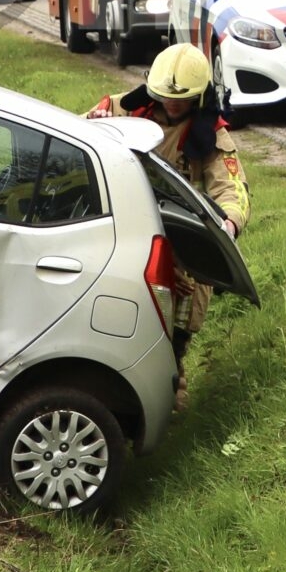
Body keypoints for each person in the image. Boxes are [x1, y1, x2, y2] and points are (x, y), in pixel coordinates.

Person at [86, 41, 250, 401]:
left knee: (175, 331)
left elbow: (232, 189)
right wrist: (93, 126)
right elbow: (73, 144)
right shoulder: (115, 109)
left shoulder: (212, 136)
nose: (173, 104)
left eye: (183, 98)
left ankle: (170, 392)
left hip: (177, 243)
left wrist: (230, 225)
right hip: (120, 229)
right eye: (165, 96)